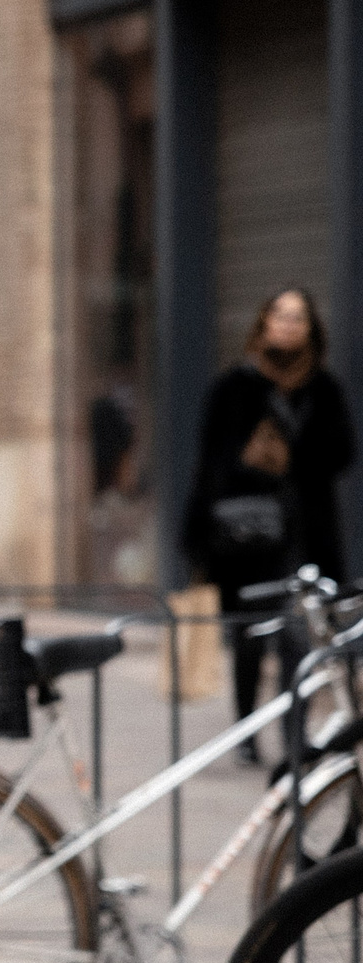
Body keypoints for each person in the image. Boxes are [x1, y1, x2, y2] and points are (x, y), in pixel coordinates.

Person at [187, 288, 356, 763]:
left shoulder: (323, 390)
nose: (287, 325)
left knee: (299, 639)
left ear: (310, 328)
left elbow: (343, 454)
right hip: (246, 539)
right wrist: (199, 540)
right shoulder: (234, 388)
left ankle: (295, 739)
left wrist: (297, 451)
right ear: (263, 324)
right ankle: (246, 732)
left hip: (306, 536)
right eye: (279, 316)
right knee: (248, 640)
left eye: (297, 317)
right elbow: (209, 465)